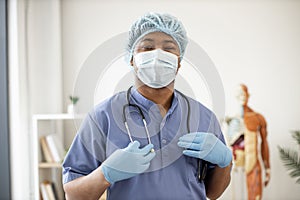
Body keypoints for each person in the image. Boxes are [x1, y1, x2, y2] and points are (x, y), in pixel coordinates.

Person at [62, 12, 232, 200]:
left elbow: (213, 193)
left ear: (179, 62)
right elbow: (73, 195)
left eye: (168, 49)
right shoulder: (103, 116)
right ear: (132, 59)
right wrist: (105, 174)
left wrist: (225, 162)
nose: (158, 54)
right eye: (147, 47)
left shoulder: (203, 117)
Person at [227, 84, 270, 200]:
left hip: (253, 163)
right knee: (235, 194)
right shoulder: (231, 121)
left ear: (248, 95)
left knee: (254, 195)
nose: (242, 96)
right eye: (239, 94)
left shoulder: (257, 118)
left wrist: (268, 168)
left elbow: (264, 143)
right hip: (236, 166)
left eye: (243, 93)